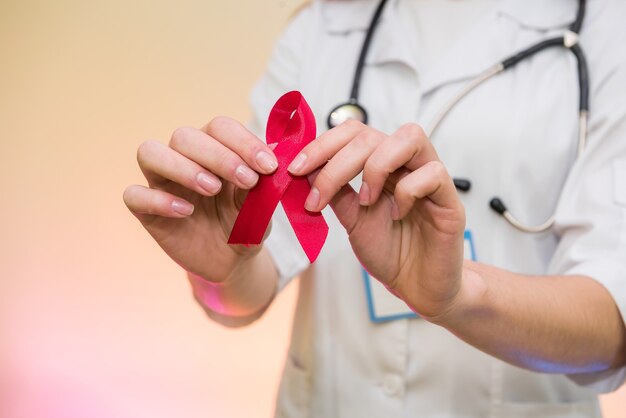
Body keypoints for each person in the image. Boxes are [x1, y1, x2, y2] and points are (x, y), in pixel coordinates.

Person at [123, 0, 626, 416]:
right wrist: (220, 273)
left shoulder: (607, 26)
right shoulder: (321, 28)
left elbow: (612, 323)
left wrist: (457, 296)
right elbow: (243, 292)